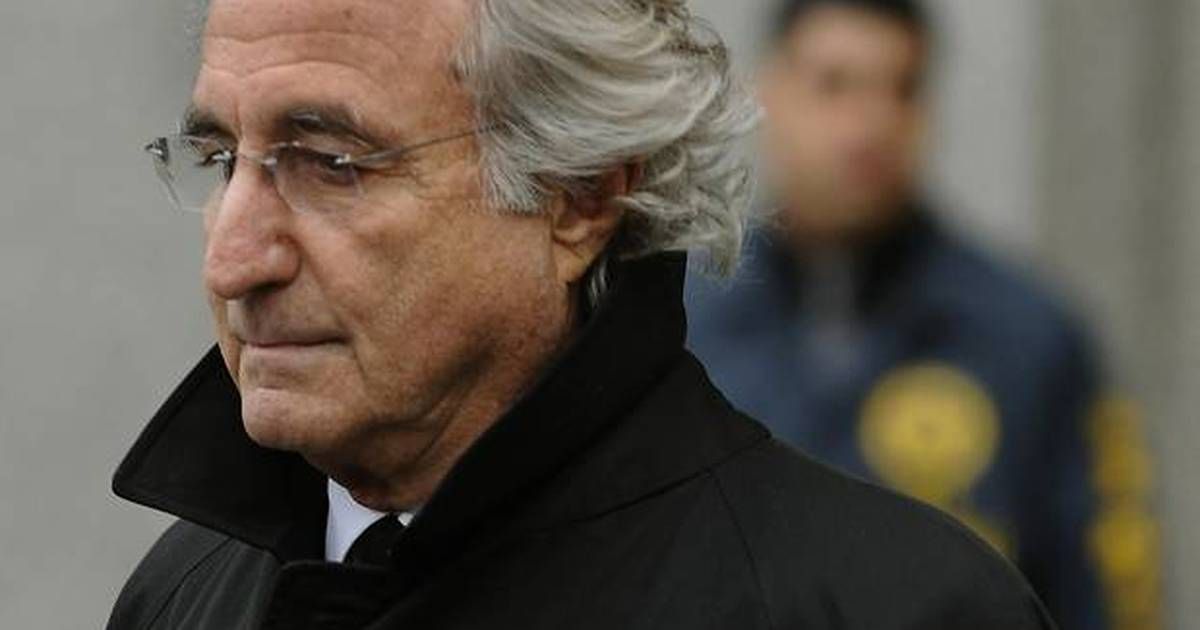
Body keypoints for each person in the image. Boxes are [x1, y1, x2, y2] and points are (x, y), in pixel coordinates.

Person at [107, 0, 1056, 628]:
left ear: (581, 197)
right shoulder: (180, 598)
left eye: (333, 164)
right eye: (221, 159)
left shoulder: (887, 609)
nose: (234, 261)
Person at [686, 1, 1161, 629]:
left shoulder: (1027, 337)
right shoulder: (683, 322)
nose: (870, 125)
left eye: (902, 89)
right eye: (835, 84)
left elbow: (1107, 589)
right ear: (765, 93)